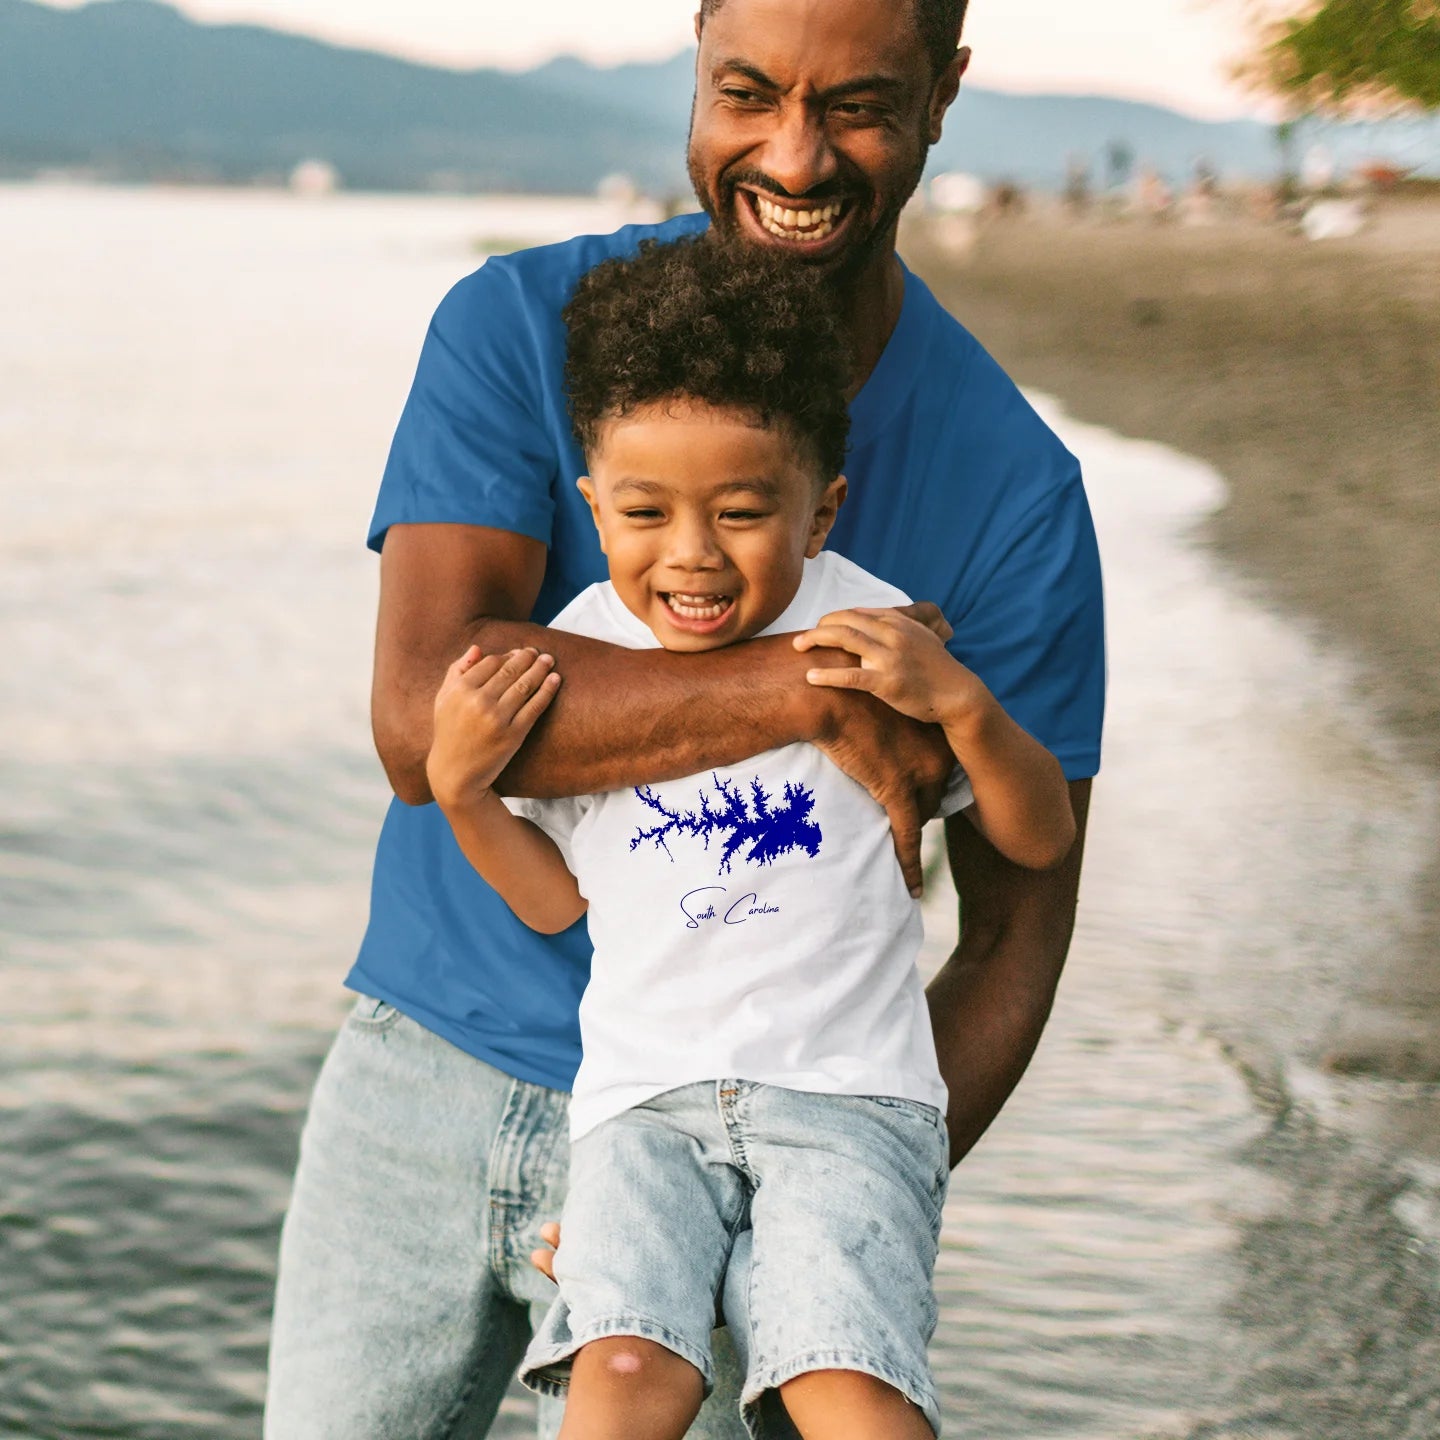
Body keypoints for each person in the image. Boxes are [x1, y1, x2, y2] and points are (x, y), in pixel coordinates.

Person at [263, 0, 1106, 1435]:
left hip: (758, 1137)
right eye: (748, 92)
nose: (793, 153)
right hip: (426, 1073)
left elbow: (1020, 922)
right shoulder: (518, 329)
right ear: (697, 70)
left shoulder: (1015, 488)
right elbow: (422, 725)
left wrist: (832, 1201)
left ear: (945, 92)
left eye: (855, 104)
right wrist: (808, 691)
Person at [425, 236, 1076, 1440]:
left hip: (847, 1098)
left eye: (739, 511)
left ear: (820, 507)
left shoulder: (879, 637)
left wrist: (967, 709)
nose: (692, 553)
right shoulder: (574, 654)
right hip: (645, 1107)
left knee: (845, 1384)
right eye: (644, 512)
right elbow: (555, 903)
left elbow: (1034, 840)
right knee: (621, 1377)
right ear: (592, 506)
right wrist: (465, 795)